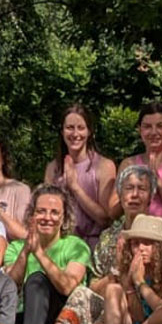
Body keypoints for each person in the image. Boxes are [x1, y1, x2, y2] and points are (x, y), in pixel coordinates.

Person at [7, 186, 93, 324]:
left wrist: (39, 253)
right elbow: (10, 287)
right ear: (31, 215)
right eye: (41, 211)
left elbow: (68, 287)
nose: (47, 218)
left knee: (37, 280)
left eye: (54, 213)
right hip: (21, 316)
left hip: (59, 322)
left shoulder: (76, 246)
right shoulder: (15, 248)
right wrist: (26, 251)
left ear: (64, 218)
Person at [44, 103, 118, 250]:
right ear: (62, 131)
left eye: (81, 128)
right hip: (60, 246)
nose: (75, 134)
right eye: (70, 128)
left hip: (94, 246)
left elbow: (105, 219)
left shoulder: (104, 166)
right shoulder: (53, 168)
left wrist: (75, 187)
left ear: (89, 131)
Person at [126, 102, 162, 220]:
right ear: (139, 129)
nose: (154, 132)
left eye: (160, 126)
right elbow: (113, 211)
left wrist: (157, 181)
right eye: (147, 127)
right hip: (135, 230)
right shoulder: (129, 164)